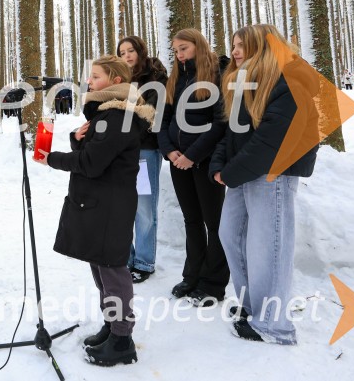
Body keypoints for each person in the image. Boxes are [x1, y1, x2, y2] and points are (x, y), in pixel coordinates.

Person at [34, 55, 155, 367]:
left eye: (96, 77)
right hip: (100, 202)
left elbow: (91, 163)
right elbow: (94, 153)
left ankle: (122, 339)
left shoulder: (117, 117)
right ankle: (112, 325)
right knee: (101, 267)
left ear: (115, 82)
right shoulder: (108, 115)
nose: (89, 82)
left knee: (113, 270)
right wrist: (77, 139)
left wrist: (51, 158)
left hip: (110, 205)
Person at [211, 24, 318, 344]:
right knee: (231, 235)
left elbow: (272, 139)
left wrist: (230, 172)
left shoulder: (289, 80)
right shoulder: (245, 83)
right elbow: (231, 135)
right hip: (244, 174)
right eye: (233, 45)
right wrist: (219, 165)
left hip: (273, 175)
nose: (234, 51)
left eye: (242, 44)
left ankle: (274, 326)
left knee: (267, 249)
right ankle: (252, 307)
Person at [157, 28, 229, 306]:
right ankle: (192, 275)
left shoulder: (215, 75)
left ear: (198, 46)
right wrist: (170, 151)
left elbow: (220, 123)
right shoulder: (175, 79)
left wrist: (193, 155)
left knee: (215, 223)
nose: (179, 54)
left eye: (184, 48)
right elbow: (163, 121)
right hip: (178, 161)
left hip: (205, 161)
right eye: (175, 50)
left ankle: (213, 284)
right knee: (191, 220)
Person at [117, 35, 169, 284]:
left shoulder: (155, 77)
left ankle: (145, 262)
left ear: (140, 51)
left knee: (144, 207)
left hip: (145, 150)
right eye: (122, 52)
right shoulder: (119, 79)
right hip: (120, 152)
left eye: (130, 50)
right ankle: (125, 258)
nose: (126, 55)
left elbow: (150, 116)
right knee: (122, 205)